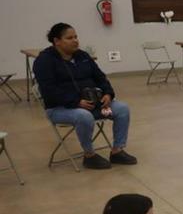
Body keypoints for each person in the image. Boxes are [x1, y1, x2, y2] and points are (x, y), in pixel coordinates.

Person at [33, 23, 137, 170]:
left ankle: (117, 151)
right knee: (83, 116)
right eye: (69, 38)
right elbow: (49, 91)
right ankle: (89, 155)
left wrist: (108, 93)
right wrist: (76, 102)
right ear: (57, 41)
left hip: (94, 104)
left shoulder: (83, 56)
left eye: (76, 37)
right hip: (60, 108)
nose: (75, 40)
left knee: (122, 108)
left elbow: (101, 78)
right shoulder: (44, 61)